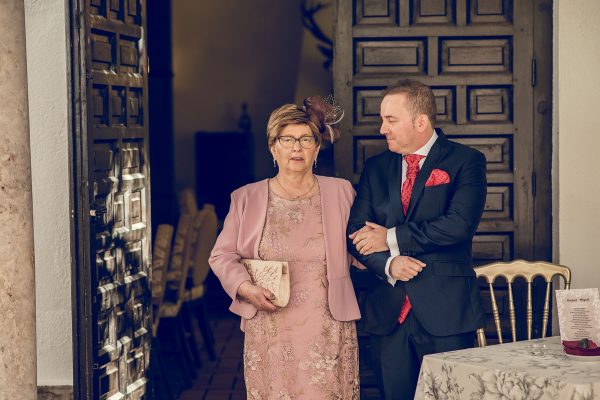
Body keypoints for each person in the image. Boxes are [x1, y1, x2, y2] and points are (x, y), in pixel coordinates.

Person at [209, 97, 360, 399]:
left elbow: (361, 248)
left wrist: (389, 250)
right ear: (272, 147)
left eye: (306, 139)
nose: (297, 148)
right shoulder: (246, 198)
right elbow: (221, 256)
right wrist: (245, 288)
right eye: (287, 139)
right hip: (270, 325)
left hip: (327, 324)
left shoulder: (340, 191)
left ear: (317, 148)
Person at [347, 79, 487, 399]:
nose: (382, 128)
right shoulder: (376, 167)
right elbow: (356, 232)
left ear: (420, 121)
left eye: (390, 120)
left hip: (447, 311)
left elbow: (458, 225)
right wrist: (390, 265)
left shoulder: (466, 161)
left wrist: (391, 237)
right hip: (387, 313)